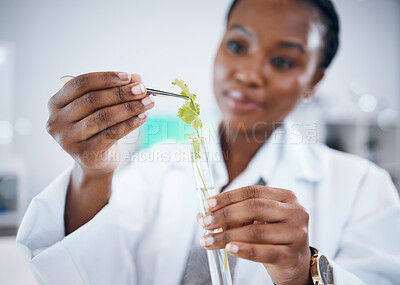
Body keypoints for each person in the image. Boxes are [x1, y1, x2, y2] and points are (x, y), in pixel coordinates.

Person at [17, 0, 400, 284]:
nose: (249, 74)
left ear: (314, 82)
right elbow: (86, 271)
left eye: (283, 61)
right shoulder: (158, 166)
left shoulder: (364, 188)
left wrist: (303, 272)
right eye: (237, 46)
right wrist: (92, 171)